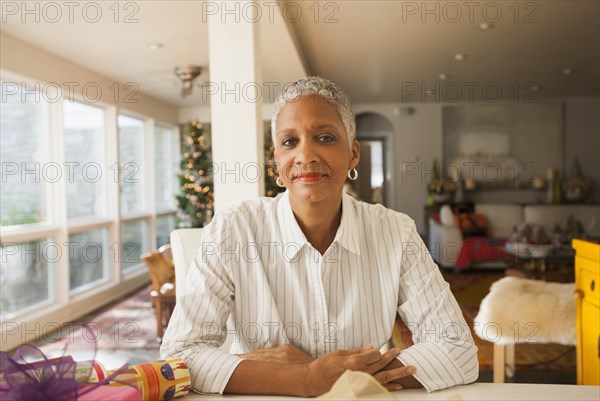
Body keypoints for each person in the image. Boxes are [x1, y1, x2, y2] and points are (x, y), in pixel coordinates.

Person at [161, 77, 478, 396]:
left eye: (325, 138)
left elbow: (458, 350)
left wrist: (345, 379)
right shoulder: (233, 229)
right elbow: (179, 357)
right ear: (277, 161)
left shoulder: (395, 231)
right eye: (289, 142)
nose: (306, 155)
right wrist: (307, 378)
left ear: (354, 154)